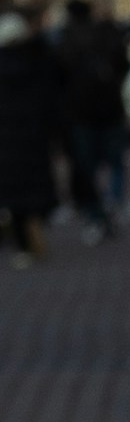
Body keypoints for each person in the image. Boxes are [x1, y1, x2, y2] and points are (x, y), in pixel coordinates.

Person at [54, 1, 126, 236]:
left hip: (81, 115)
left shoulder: (66, 39)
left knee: (87, 167)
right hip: (110, 111)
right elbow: (124, 64)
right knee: (115, 162)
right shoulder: (107, 33)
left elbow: (57, 79)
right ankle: (112, 201)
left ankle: (95, 211)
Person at [0, 15, 58, 265]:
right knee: (35, 186)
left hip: (7, 140)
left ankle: (23, 241)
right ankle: (35, 228)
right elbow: (51, 97)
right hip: (34, 136)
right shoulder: (38, 61)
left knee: (13, 192)